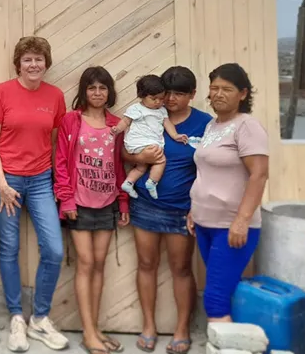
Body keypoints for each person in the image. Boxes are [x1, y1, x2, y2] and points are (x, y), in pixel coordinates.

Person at [0, 36, 69, 352]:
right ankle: (17, 317)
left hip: (41, 180)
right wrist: (3, 184)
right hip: (7, 181)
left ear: (46, 63)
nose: (33, 65)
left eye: (39, 59)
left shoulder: (55, 95)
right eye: (27, 59)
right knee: (9, 248)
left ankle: (40, 319)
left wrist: (60, 181)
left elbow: (57, 141)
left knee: (54, 249)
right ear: (18, 63)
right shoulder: (2, 92)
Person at [125, 66, 212, 354]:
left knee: (182, 268)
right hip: (145, 204)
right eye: (168, 92)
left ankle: (182, 328)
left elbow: (210, 169)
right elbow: (124, 151)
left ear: (192, 95)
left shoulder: (204, 124)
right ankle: (148, 325)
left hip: (182, 209)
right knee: (146, 264)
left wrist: (196, 207)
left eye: (179, 93)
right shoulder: (147, 113)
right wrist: (138, 156)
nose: (171, 99)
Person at [54, 66, 130, 354]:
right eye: (92, 88)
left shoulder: (116, 124)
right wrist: (67, 199)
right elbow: (61, 163)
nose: (97, 93)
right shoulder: (71, 121)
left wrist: (123, 201)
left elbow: (120, 165)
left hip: (108, 202)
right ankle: (88, 333)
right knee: (85, 263)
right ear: (84, 91)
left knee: (99, 265)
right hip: (79, 204)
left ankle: (96, 329)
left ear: (109, 91)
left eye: (102, 88)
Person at [188, 63, 269, 323]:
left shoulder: (247, 126)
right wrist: (194, 210)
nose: (218, 94)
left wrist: (242, 220)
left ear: (243, 94)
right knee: (221, 290)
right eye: (214, 88)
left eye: (227, 89)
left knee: (215, 300)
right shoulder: (213, 125)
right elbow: (208, 172)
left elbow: (259, 174)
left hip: (231, 226)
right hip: (204, 222)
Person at [113, 75, 188, 200]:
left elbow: (167, 124)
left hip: (141, 144)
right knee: (161, 160)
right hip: (140, 142)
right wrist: (117, 129)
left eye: (161, 98)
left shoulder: (161, 110)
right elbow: (125, 121)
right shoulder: (136, 109)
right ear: (142, 95)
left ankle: (128, 182)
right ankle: (152, 182)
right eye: (154, 98)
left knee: (142, 166)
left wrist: (175, 135)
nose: (158, 102)